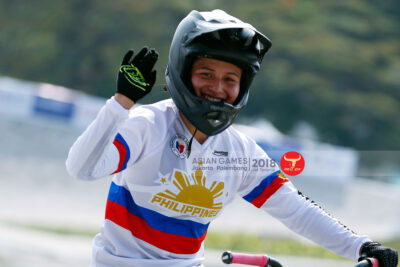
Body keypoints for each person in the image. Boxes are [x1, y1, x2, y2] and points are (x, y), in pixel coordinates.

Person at [66, 9, 398, 267]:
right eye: (206, 74)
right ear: (182, 73)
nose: (218, 88)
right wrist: (121, 103)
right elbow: (82, 168)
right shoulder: (148, 125)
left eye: (231, 79)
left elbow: (296, 210)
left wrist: (362, 246)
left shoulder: (239, 151)